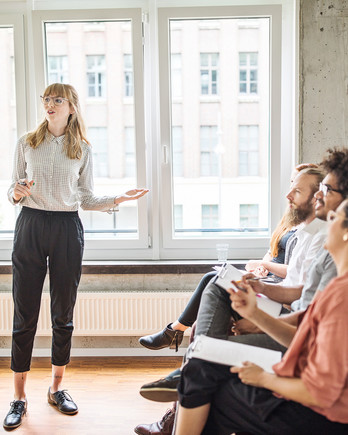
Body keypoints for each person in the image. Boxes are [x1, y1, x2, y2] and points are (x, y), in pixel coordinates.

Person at [135, 149, 348, 435]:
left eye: (326, 192)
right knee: (214, 293)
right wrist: (255, 310)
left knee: (204, 372)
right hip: (299, 351)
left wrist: (265, 373)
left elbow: (320, 379)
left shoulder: (339, 289)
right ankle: (193, 356)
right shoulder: (333, 276)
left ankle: (190, 361)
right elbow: (308, 328)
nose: (319, 197)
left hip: (318, 406)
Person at [3, 83, 149, 430]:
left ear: (71, 107)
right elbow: (12, 189)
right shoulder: (27, 142)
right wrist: (16, 192)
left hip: (68, 228)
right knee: (24, 313)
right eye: (46, 100)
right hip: (31, 225)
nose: (49, 105)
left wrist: (118, 199)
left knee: (62, 313)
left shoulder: (81, 148)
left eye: (57, 100)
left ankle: (56, 388)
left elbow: (85, 197)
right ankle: (19, 397)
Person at [173, 198, 348, 435]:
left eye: (335, 218)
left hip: (326, 416)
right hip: (309, 385)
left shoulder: (341, 296)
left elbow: (322, 391)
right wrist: (254, 314)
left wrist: (265, 379)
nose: (328, 221)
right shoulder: (337, 287)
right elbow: (304, 340)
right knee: (203, 365)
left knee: (208, 379)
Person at [138, 163, 319, 352]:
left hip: (281, 295)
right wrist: (261, 272)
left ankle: (186, 341)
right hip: (274, 284)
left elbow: (299, 289)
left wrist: (263, 282)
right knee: (217, 279)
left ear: (318, 197)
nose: (288, 195)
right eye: (290, 185)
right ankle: (191, 348)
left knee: (216, 281)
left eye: (296, 189)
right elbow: (275, 254)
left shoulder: (316, 236)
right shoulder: (300, 229)